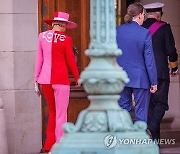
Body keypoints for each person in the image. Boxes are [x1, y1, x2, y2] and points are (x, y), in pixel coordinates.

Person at [35, 12, 80, 152]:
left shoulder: (42, 36)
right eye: (66, 25)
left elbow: (39, 60)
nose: (66, 28)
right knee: (61, 114)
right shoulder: (66, 39)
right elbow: (71, 61)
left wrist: (35, 79)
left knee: (53, 112)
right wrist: (77, 78)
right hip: (61, 80)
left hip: (45, 80)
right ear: (62, 24)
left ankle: (49, 145)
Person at [116, 2, 158, 123]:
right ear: (140, 15)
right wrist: (153, 81)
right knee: (141, 113)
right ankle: (140, 140)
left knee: (123, 111)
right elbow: (149, 59)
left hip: (121, 77)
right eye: (144, 15)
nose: (144, 18)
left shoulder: (117, 31)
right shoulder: (144, 33)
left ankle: (124, 139)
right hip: (140, 78)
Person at [142, 2, 178, 141]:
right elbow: (171, 51)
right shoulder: (164, 27)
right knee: (161, 104)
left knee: (150, 107)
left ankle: (154, 143)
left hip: (144, 73)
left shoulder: (140, 28)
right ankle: (149, 129)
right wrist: (174, 67)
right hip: (160, 72)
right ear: (158, 14)